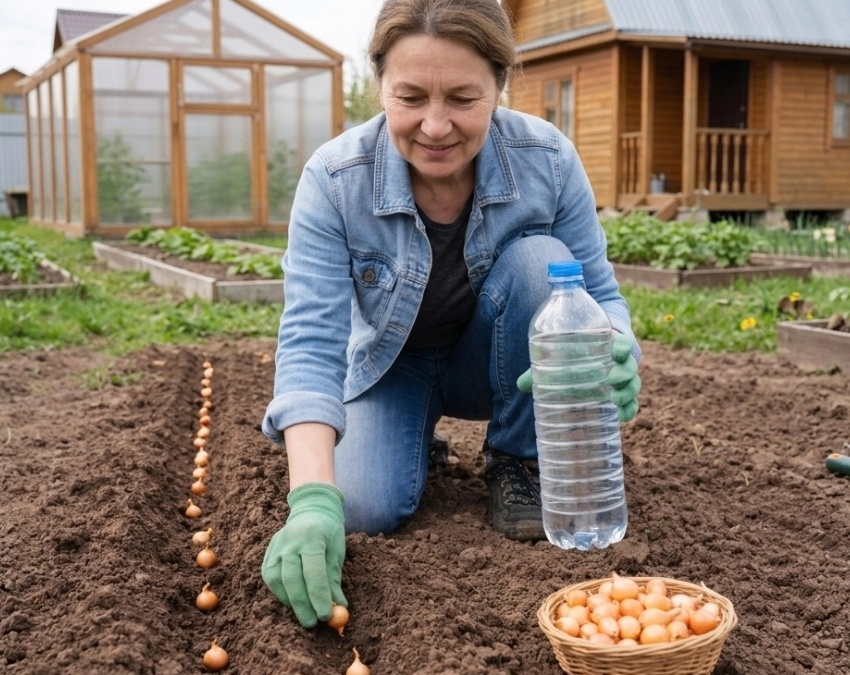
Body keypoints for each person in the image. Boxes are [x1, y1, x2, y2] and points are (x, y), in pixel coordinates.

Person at [259, 0, 642, 630]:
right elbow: (310, 341)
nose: (435, 126)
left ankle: (516, 458)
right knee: (363, 507)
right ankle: (414, 440)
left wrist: (616, 347)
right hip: (393, 366)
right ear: (379, 84)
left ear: (499, 86)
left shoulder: (546, 159)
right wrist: (310, 501)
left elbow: (600, 294)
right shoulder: (335, 179)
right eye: (410, 97)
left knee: (546, 263)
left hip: (497, 362)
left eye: (463, 99)